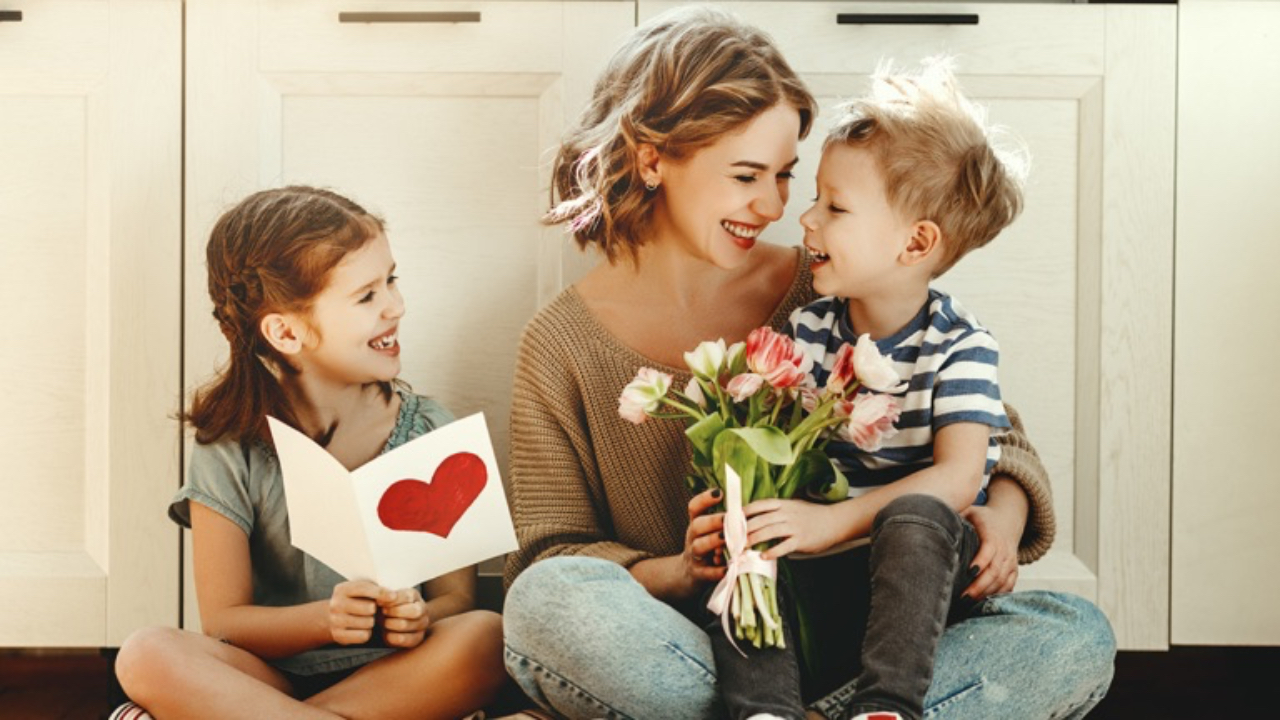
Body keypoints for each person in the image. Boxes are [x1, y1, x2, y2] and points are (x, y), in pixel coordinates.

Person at [501, 6, 1113, 720]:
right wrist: (676, 571)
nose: (776, 207)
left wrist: (1001, 523)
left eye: (787, 175)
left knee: (1074, 636)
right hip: (708, 645)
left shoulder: (830, 280)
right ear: (651, 158)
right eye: (745, 175)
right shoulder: (560, 344)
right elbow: (551, 558)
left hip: (893, 643)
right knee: (548, 605)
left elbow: (994, 445)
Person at [715, 58, 1038, 720]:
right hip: (827, 573)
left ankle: (885, 705)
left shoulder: (961, 347)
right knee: (748, 531)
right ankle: (765, 707)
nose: (805, 222)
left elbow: (957, 478)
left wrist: (833, 521)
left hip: (925, 575)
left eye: (834, 208)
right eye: (816, 199)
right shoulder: (806, 331)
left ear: (916, 242)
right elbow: (778, 455)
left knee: (919, 519)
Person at [111, 187, 506, 720]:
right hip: (270, 678)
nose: (396, 306)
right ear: (285, 331)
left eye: (391, 280)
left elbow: (457, 602)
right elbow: (225, 622)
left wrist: (416, 616)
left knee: (486, 635)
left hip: (398, 674)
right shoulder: (228, 448)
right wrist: (326, 619)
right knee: (144, 653)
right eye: (367, 296)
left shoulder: (434, 432)